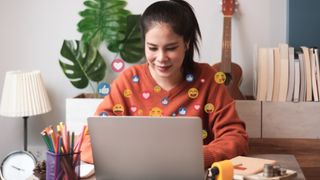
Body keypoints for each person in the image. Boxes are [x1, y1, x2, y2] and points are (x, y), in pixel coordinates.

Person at [81, 0, 248, 169]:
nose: (161, 58)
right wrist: (129, 157)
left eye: (171, 48)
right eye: (152, 48)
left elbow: (235, 136)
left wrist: (199, 157)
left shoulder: (208, 79)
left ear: (186, 43)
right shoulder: (127, 81)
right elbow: (90, 140)